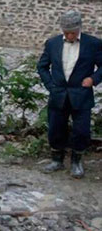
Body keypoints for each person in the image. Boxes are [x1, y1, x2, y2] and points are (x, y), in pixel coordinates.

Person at [37, 10, 102, 178]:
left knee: (81, 131)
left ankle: (76, 162)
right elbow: (42, 66)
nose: (70, 35)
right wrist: (51, 85)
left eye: (73, 32)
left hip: (81, 95)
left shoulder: (93, 44)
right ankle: (57, 160)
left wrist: (93, 79)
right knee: (56, 129)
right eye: (66, 32)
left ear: (79, 29)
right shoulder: (52, 44)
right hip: (58, 94)